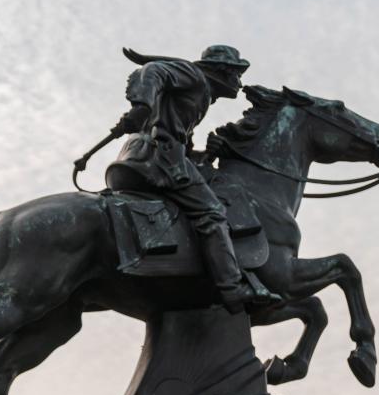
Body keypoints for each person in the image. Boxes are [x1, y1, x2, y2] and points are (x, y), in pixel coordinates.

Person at [105, 45, 278, 312]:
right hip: (156, 159)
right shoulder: (194, 76)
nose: (239, 83)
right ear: (222, 71)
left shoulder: (198, 96)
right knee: (212, 211)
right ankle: (232, 288)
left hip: (153, 157)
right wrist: (141, 106)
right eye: (236, 74)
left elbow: (182, 148)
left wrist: (207, 154)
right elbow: (153, 70)